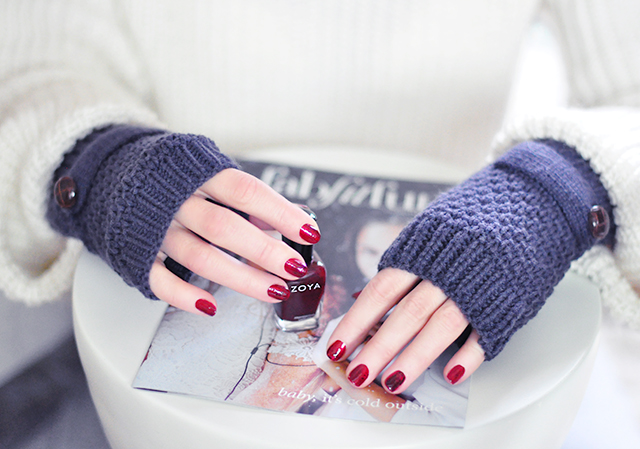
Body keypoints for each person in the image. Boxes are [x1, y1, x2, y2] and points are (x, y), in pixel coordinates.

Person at [1, 0, 639, 400]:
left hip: (459, 309)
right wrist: (98, 162)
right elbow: (40, 67)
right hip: (159, 293)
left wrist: (556, 187)